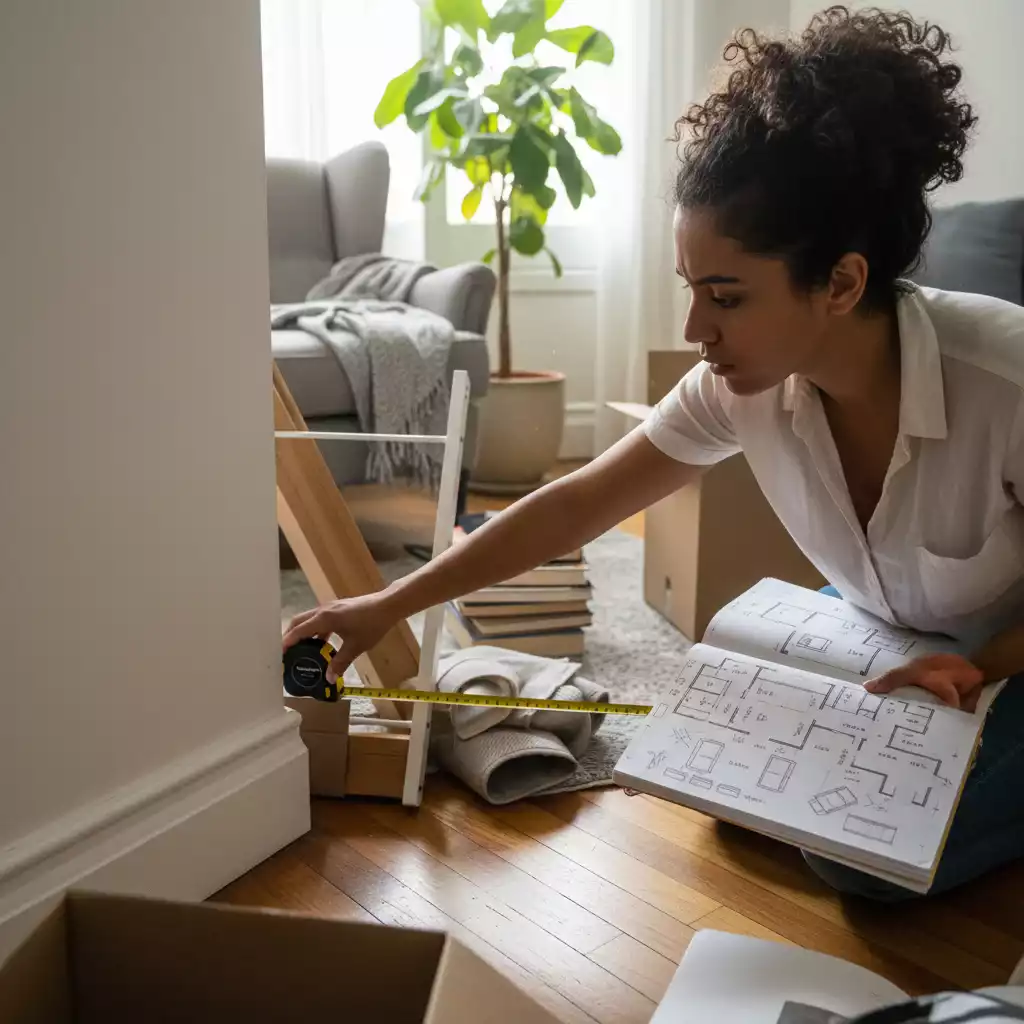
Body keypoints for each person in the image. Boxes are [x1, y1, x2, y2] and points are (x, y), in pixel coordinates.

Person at [282, 6, 1024, 902]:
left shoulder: (1004, 380)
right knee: (727, 782)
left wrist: (987, 665)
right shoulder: (740, 386)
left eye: (727, 296)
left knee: (854, 859)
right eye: (689, 288)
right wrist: (385, 604)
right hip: (886, 629)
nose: (694, 329)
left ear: (840, 282)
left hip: (1006, 651)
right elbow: (574, 503)